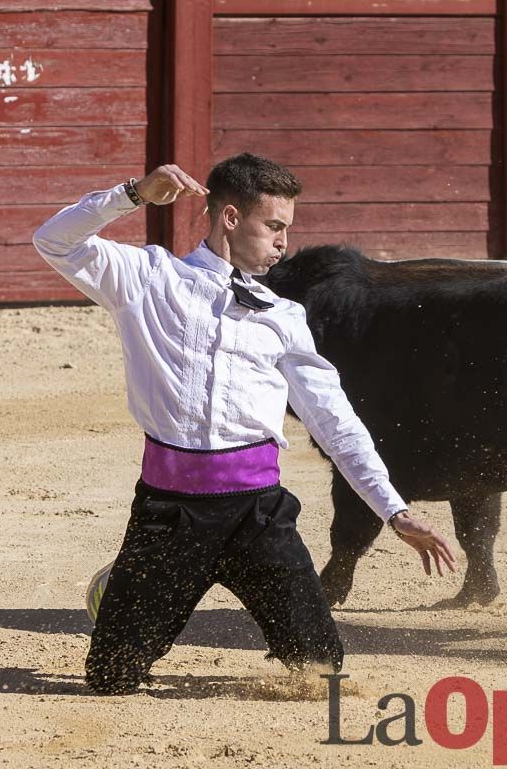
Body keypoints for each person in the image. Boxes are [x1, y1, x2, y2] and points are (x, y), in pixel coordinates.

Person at [33, 154, 457, 695]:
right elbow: (55, 241)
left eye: (287, 230)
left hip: (258, 517)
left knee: (323, 670)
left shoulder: (282, 316)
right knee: (111, 679)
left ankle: (127, 592)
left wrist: (394, 511)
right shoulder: (147, 279)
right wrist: (133, 195)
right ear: (230, 218)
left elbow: (336, 420)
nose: (283, 243)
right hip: (168, 515)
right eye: (274, 226)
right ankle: (115, 591)